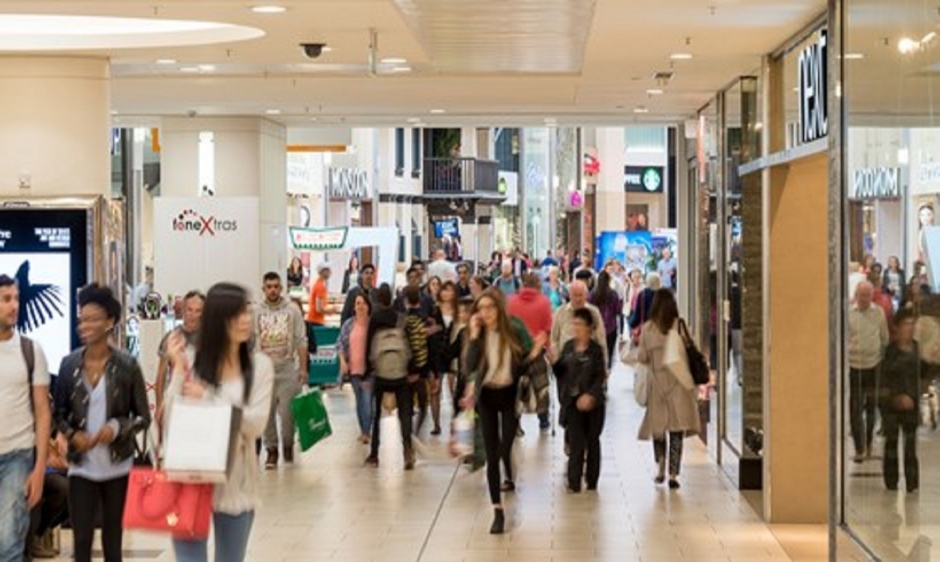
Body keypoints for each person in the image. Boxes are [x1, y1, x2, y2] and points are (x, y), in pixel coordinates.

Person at [168, 283, 274, 562]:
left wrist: (210, 396)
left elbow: (255, 424)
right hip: (189, 483)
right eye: (236, 314)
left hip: (236, 488)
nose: (246, 320)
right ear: (218, 321)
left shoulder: (260, 367)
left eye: (246, 312)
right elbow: (169, 421)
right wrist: (178, 370)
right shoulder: (191, 362)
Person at [54, 284, 149, 562]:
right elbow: (58, 412)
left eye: (94, 318)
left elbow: (143, 416)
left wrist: (116, 428)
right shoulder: (69, 364)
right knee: (81, 540)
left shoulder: (127, 365)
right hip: (81, 465)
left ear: (110, 322)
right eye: (82, 318)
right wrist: (72, 435)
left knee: (112, 540)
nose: (85, 325)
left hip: (117, 464)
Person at [461, 289, 537, 535]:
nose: (485, 313)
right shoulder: (479, 334)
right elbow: (469, 367)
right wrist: (473, 336)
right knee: (493, 456)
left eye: (489, 308)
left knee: (505, 448)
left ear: (499, 308)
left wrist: (536, 351)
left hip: (509, 395)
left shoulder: (513, 328)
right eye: (481, 308)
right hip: (488, 397)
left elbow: (525, 358)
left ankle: (507, 479)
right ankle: (497, 511)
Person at [0, 274, 51, 561]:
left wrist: (40, 468)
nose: (14, 305)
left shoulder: (31, 351)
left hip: (17, 456)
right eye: (6, 299)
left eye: (17, 298)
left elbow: (43, 411)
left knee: (8, 544)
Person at [636, 289, 701, 489]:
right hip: (679, 385)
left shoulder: (647, 329)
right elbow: (693, 351)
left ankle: (660, 465)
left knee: (658, 428)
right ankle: (673, 474)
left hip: (658, 385)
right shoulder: (680, 327)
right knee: (676, 430)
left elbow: (642, 358)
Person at [255, 272, 308, 469]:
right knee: (266, 414)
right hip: (264, 370)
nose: (273, 290)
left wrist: (303, 369)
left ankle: (287, 443)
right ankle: (271, 450)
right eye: (269, 286)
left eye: (276, 286)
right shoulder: (256, 312)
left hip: (287, 368)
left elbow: (301, 340)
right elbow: (251, 340)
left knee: (288, 414)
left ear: (281, 288)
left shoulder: (293, 310)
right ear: (263, 289)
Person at [553, 308, 606, 493]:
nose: (576, 328)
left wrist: (590, 395)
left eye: (580, 325)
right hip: (572, 403)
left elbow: (600, 377)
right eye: (574, 324)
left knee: (592, 441)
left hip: (593, 404)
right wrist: (554, 362)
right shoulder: (568, 347)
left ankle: (592, 480)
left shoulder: (596, 351)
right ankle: (574, 481)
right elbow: (560, 374)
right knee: (575, 442)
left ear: (589, 328)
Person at [365, 285, 416, 469]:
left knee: (377, 414)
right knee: (404, 413)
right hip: (400, 373)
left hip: (381, 374)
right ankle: (407, 450)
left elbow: (369, 344)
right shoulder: (399, 317)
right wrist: (411, 369)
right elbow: (408, 343)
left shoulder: (375, 318)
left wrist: (367, 370)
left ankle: (374, 453)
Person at [880, 309, 927, 493]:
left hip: (912, 404)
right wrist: (897, 396)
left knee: (910, 444)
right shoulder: (889, 352)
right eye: (906, 325)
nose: (909, 329)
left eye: (911, 325)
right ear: (897, 328)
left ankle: (912, 482)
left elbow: (923, 377)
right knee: (891, 442)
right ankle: (891, 481)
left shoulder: (917, 350)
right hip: (892, 405)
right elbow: (884, 380)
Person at [848, 281, 889, 462]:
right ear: (856, 296)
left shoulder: (878, 312)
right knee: (855, 408)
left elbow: (884, 337)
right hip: (854, 365)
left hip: (874, 365)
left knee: (871, 407)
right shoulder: (849, 313)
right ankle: (859, 447)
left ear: (872, 296)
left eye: (867, 295)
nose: (864, 299)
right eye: (861, 295)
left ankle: (869, 440)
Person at [507, 273, 554, 430]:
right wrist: (547, 347)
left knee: (516, 387)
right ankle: (543, 417)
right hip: (536, 350)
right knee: (541, 386)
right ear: (538, 285)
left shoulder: (511, 301)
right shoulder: (544, 302)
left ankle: (516, 419)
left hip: (515, 353)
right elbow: (547, 329)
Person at [155, 290, 204, 427]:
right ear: (183, 310)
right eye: (189, 310)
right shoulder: (172, 338)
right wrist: (159, 405)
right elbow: (160, 377)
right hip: (176, 402)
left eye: (198, 311)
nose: (193, 315)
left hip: (202, 404)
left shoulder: (210, 340)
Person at [26, 432, 69, 559]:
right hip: (27, 464)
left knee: (76, 489)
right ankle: (36, 535)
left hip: (45, 463)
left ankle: (45, 529)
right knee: (62, 488)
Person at [338, 293, 374, 444]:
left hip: (370, 370)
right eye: (357, 303)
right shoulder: (349, 324)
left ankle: (367, 432)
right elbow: (340, 344)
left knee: (367, 400)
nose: (360, 306)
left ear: (368, 306)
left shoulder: (373, 324)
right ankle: (363, 430)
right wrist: (343, 362)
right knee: (359, 401)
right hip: (354, 369)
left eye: (363, 303)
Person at [429, 281, 459, 435]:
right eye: (445, 290)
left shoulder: (459, 311)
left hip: (454, 352)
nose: (447, 293)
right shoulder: (434, 311)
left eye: (450, 290)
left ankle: (456, 420)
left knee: (454, 388)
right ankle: (436, 424)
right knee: (435, 389)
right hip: (437, 353)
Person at [403, 286, 431, 435]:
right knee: (423, 405)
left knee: (407, 405)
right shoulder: (424, 319)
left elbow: (406, 345)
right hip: (421, 368)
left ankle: (408, 435)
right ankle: (416, 433)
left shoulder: (404, 320)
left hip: (407, 368)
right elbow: (423, 344)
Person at [590, 271, 623, 371]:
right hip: (610, 328)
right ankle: (606, 371)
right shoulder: (613, 294)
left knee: (596, 352)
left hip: (595, 328)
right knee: (608, 352)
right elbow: (618, 311)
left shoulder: (592, 294)